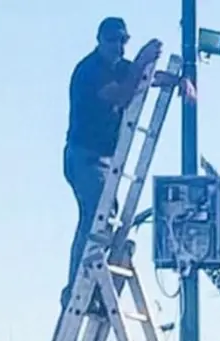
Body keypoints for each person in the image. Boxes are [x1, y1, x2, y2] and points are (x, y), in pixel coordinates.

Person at [61, 16, 163, 311]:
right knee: (96, 218)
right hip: (84, 157)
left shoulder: (119, 68)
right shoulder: (90, 71)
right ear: (100, 40)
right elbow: (121, 93)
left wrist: (180, 80)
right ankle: (77, 288)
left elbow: (145, 79)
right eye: (113, 40)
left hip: (102, 160)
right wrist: (142, 59)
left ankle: (93, 284)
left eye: (123, 41)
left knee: (106, 216)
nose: (118, 46)